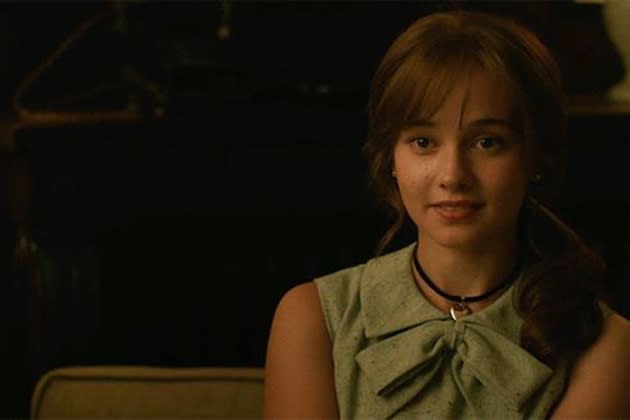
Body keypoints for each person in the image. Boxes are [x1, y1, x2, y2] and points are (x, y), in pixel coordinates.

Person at [264, 9, 630, 419]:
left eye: (487, 142)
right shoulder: (314, 318)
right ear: (391, 158)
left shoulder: (604, 344)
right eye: (423, 142)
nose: (453, 175)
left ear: (535, 157)